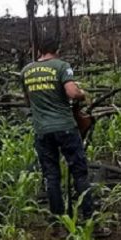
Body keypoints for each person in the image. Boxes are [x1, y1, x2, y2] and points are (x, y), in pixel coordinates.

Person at [22, 34, 96, 223]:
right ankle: (89, 219)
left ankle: (57, 220)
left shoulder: (27, 71)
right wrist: (83, 94)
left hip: (42, 130)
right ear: (57, 51)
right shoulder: (62, 66)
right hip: (65, 128)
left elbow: (28, 99)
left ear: (39, 50)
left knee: (51, 175)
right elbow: (71, 92)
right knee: (80, 173)